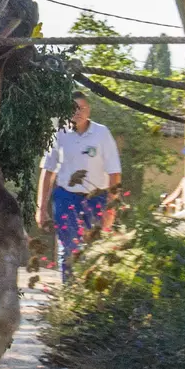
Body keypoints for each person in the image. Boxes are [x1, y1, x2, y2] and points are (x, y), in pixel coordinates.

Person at [37, 93, 122, 281]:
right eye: (73, 108)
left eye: (82, 108)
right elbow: (48, 171)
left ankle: (91, 295)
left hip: (96, 196)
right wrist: (41, 208)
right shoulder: (57, 131)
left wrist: (111, 207)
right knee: (68, 246)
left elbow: (114, 172)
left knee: (96, 246)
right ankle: (69, 292)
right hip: (66, 196)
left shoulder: (102, 133)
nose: (78, 112)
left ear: (89, 110)